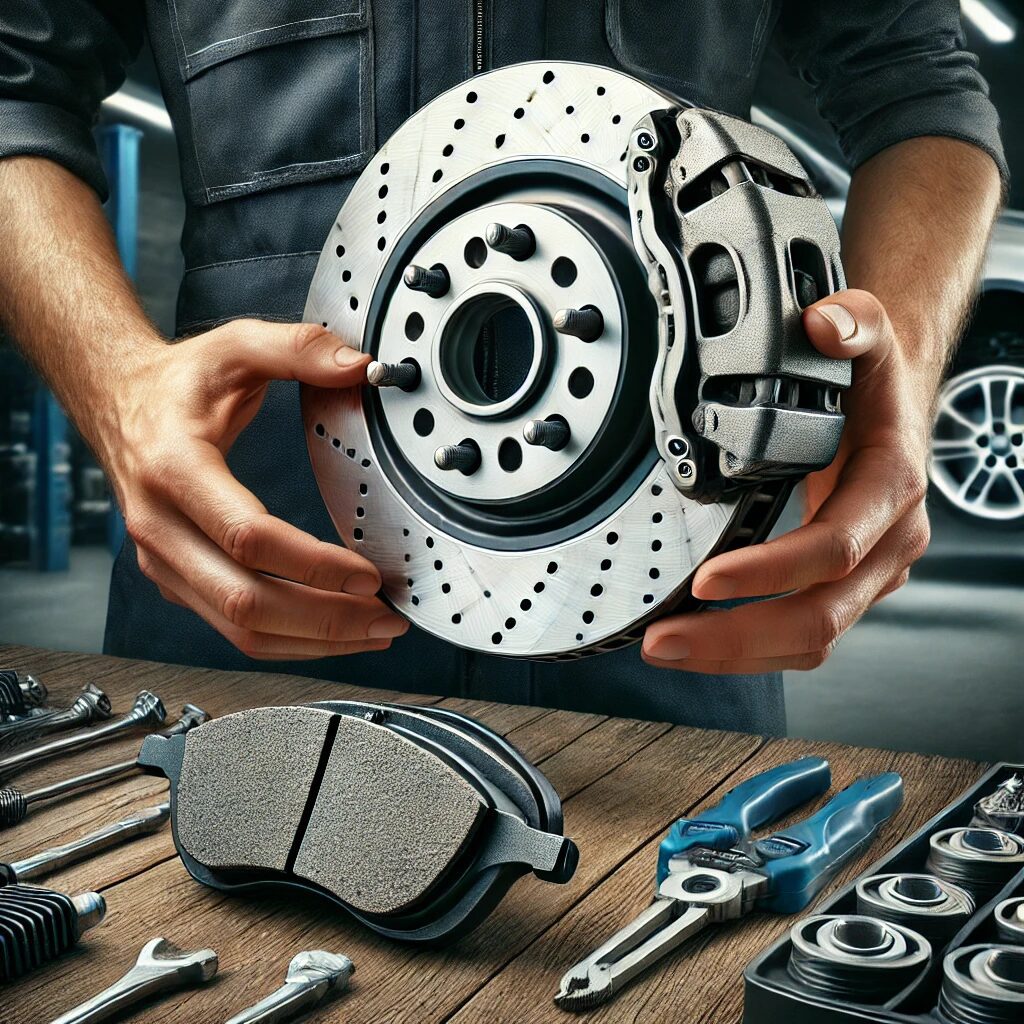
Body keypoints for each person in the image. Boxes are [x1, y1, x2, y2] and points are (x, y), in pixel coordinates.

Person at [0, 3, 1005, 731]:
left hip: (669, 597)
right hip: (246, 577)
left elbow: (919, 90)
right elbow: (16, 89)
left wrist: (899, 388)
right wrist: (120, 385)